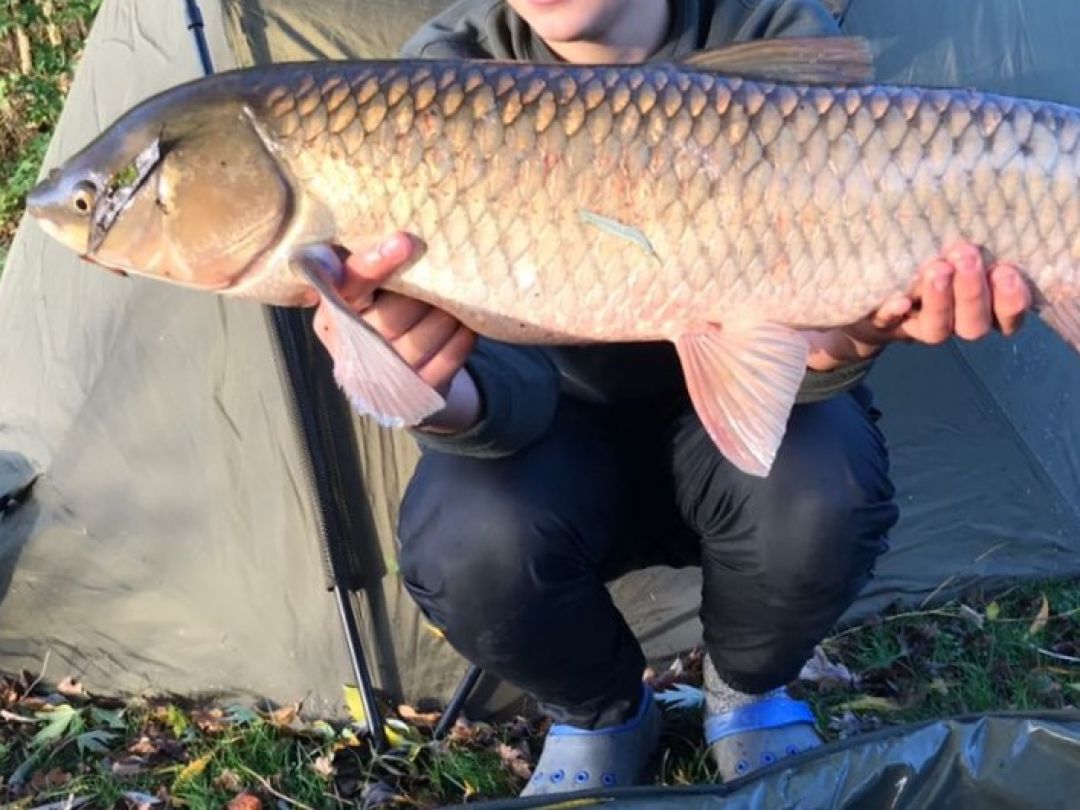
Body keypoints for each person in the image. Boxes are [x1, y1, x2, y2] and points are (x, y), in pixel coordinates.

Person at [313, 0, 1034, 796]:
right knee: (467, 542)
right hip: (554, 437)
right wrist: (429, 384)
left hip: (747, 430)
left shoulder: (770, 24)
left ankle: (747, 690)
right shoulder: (435, 80)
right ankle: (600, 712)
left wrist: (861, 330)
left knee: (823, 488)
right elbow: (501, 399)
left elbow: (810, 350)